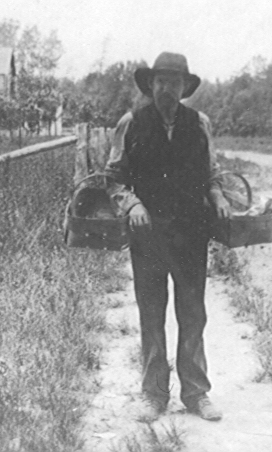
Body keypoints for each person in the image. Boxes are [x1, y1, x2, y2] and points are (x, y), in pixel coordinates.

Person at [106, 52, 231, 422]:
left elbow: (212, 172)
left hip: (191, 231)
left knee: (193, 313)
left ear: (183, 88)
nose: (166, 89)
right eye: (161, 81)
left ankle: (196, 393)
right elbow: (113, 178)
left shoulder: (199, 124)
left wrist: (219, 195)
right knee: (151, 312)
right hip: (149, 234)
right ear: (151, 85)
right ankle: (153, 394)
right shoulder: (131, 123)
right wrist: (131, 205)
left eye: (174, 83)